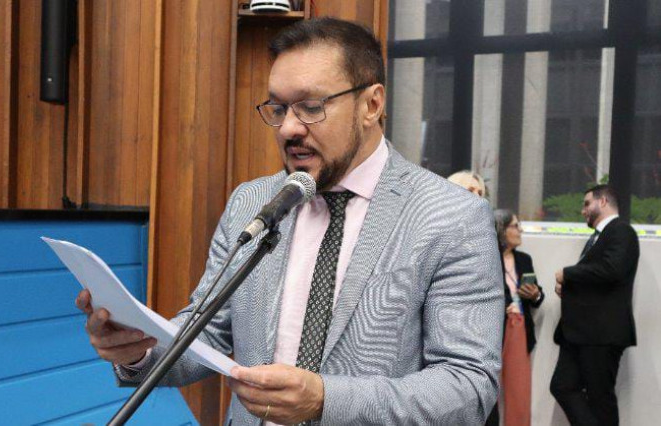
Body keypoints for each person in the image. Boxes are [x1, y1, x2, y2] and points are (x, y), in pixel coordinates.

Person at [76, 18, 503, 425]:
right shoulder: (252, 202)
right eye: (279, 108)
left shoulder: (451, 216)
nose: (288, 129)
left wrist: (325, 400)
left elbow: (469, 387)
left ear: (371, 105)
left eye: (311, 107)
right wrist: (139, 350)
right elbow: (208, 333)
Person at [550, 184, 639, 426]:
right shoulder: (600, 236)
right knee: (562, 386)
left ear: (603, 202)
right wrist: (569, 288)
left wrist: (568, 274)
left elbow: (612, 269)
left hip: (602, 332)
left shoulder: (622, 231)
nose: (583, 210)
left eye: (587, 203)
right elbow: (597, 278)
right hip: (581, 333)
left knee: (601, 399)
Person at [487, 210, 544, 426]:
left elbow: (537, 296)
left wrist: (535, 294)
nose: (520, 230)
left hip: (520, 328)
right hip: (492, 332)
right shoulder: (487, 259)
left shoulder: (524, 259)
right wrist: (502, 308)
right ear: (501, 229)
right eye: (515, 226)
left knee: (519, 391)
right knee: (487, 390)